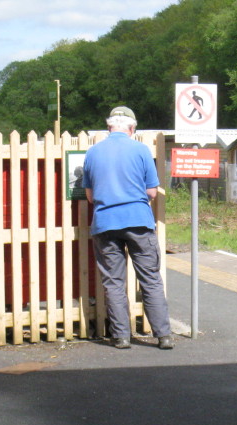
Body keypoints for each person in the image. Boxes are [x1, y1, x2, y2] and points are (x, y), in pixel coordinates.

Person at [83, 106, 173, 350]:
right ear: (132, 128)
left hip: (105, 223)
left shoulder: (92, 153)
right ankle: (163, 336)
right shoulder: (141, 150)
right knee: (150, 279)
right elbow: (152, 191)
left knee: (113, 282)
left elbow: (90, 196)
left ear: (108, 127)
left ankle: (121, 337)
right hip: (138, 221)